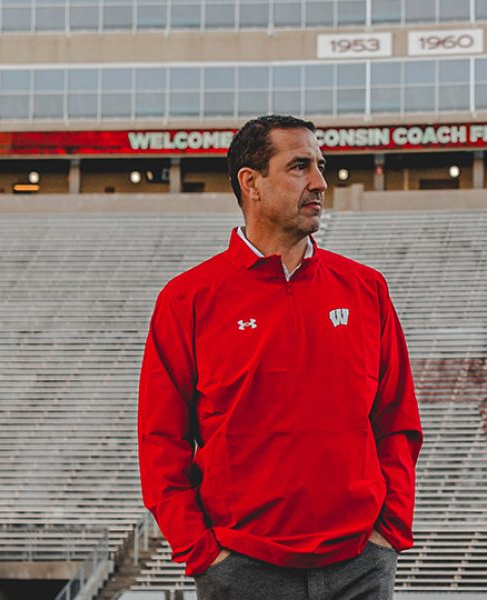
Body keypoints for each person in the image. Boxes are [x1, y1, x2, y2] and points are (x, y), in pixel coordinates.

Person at [138, 114, 424, 600]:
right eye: (299, 167)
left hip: (359, 563)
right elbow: (161, 441)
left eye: (320, 165)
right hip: (242, 567)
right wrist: (203, 552)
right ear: (251, 183)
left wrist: (388, 532)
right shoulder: (188, 299)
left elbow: (397, 421)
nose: (319, 182)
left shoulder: (366, 289)